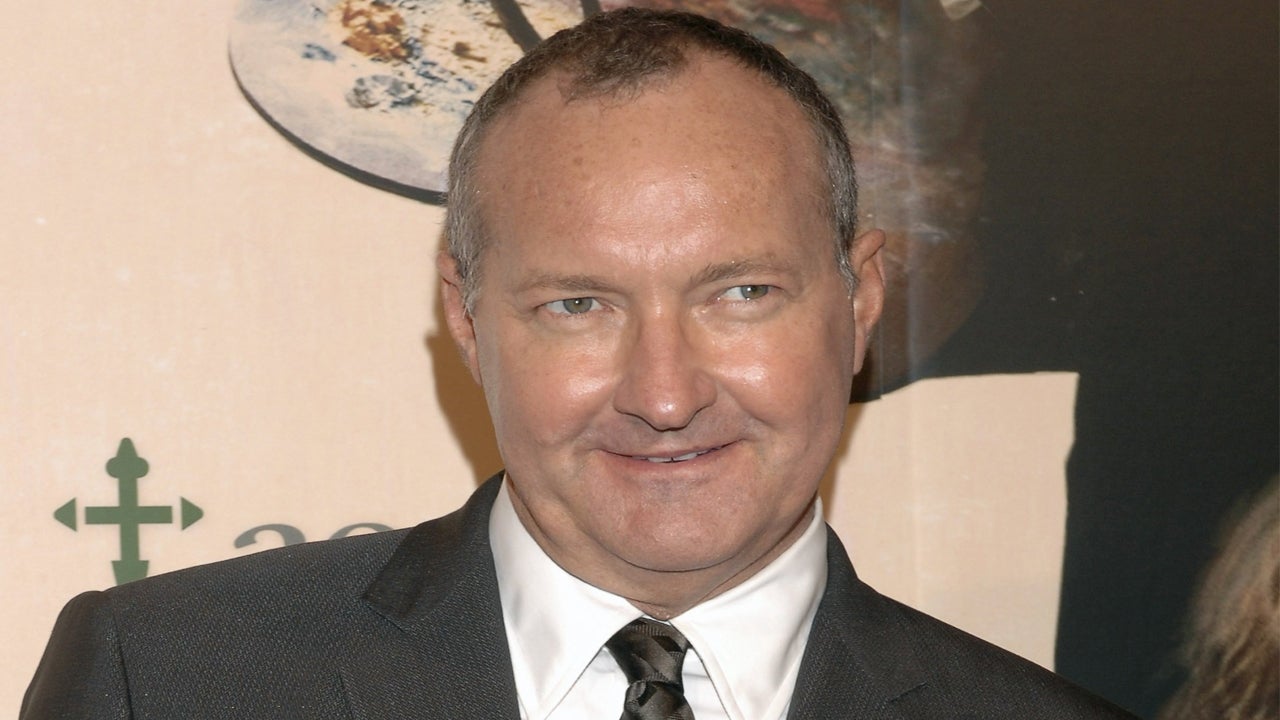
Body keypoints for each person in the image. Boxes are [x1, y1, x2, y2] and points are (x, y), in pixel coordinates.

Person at [22, 8, 1136, 718]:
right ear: (466, 319)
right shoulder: (166, 681)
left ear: (860, 302)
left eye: (740, 293)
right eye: (578, 305)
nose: (665, 394)